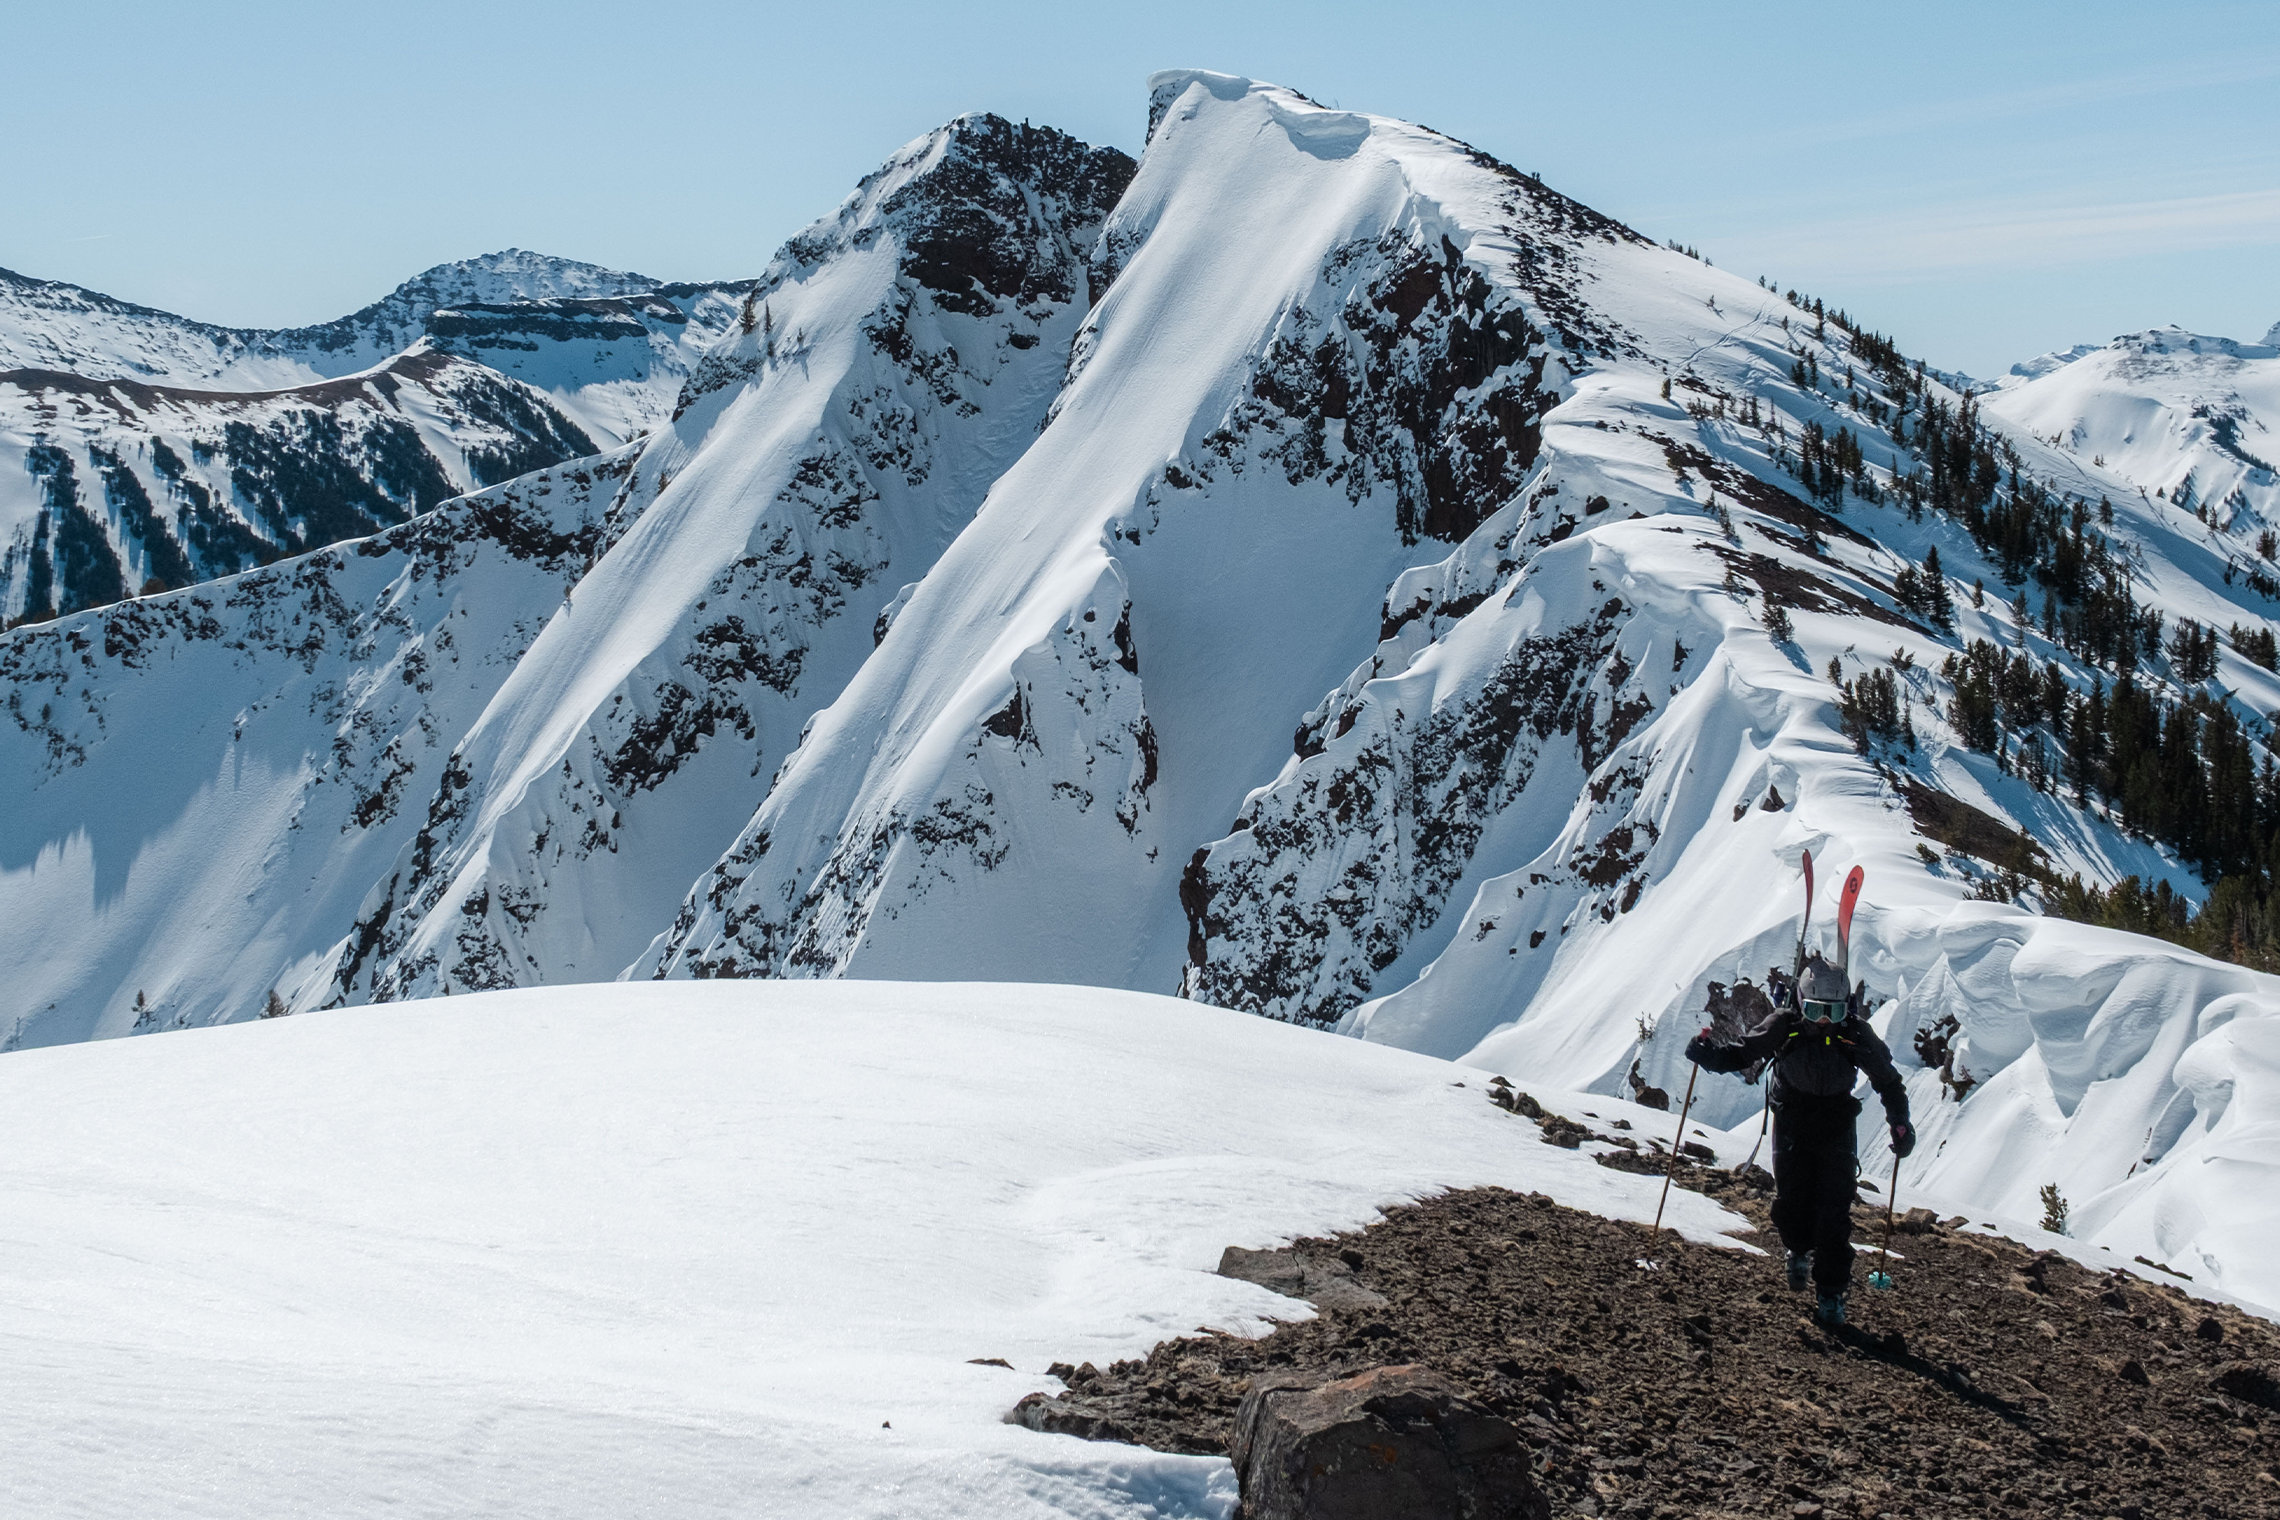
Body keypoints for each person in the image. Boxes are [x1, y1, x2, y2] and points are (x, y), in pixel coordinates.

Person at [1685, 951, 1914, 1326]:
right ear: (1801, 1002)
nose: (1824, 1021)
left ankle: (1831, 1293)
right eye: (1815, 1010)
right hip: (1792, 1120)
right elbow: (1745, 1052)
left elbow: (1888, 1080)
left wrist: (1900, 1121)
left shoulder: (1855, 1034)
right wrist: (1710, 1056)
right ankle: (1797, 1248)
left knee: (1835, 1212)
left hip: (1836, 1125)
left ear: (1845, 1009)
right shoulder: (1784, 1025)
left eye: (1833, 1013)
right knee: (1792, 1202)